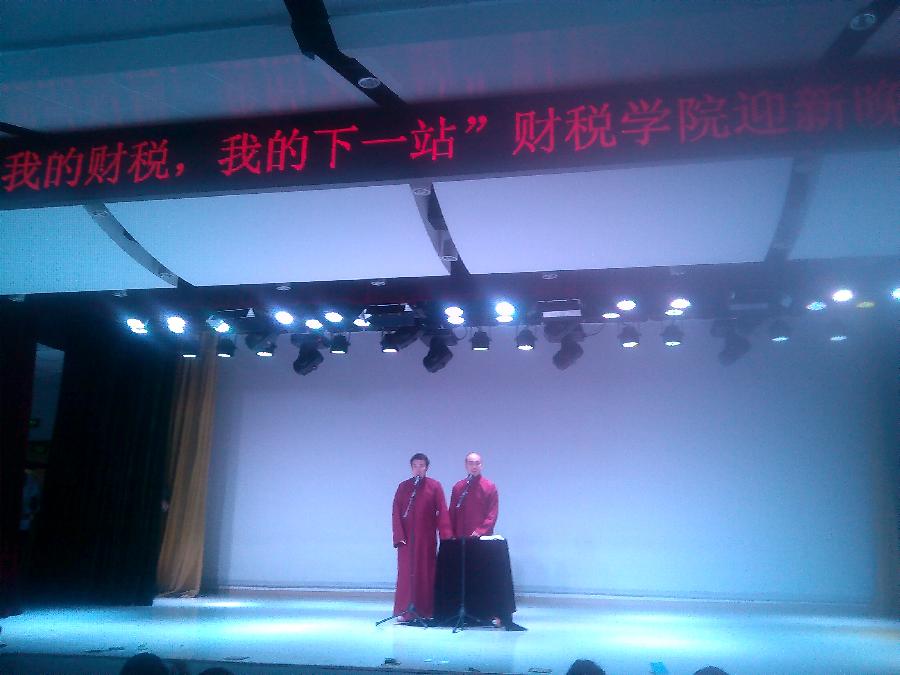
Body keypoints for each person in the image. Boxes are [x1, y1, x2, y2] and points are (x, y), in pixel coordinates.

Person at [391, 452, 451, 621]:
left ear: (426, 468)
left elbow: (442, 511)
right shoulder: (403, 487)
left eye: (421, 466)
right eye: (415, 466)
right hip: (407, 541)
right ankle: (405, 611)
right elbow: (396, 512)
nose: (418, 469)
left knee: (425, 574)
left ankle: (426, 610)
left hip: (426, 539)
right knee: (406, 575)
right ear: (411, 468)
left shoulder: (434, 486)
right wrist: (399, 536)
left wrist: (446, 537)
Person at [449, 452, 498, 538]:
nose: (474, 467)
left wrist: (480, 531)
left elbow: (492, 514)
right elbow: (452, 512)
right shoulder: (458, 487)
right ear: (466, 465)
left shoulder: (489, 487)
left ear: (481, 465)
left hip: (482, 536)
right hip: (460, 536)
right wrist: (451, 534)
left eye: (477, 463)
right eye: (471, 463)